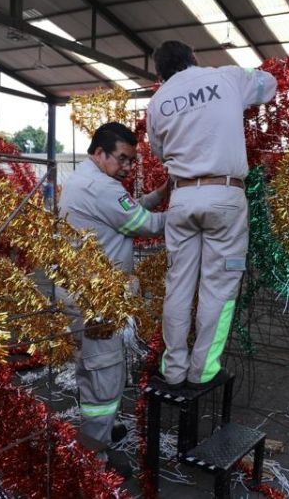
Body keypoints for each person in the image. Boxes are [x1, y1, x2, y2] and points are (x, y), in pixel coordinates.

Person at [146, 40, 277, 388]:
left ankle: (173, 369)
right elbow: (269, 85)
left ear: (160, 74)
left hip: (183, 198)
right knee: (218, 286)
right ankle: (203, 369)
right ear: (194, 57)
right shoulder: (227, 78)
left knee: (178, 285)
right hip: (225, 195)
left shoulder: (158, 102)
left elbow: (160, 152)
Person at [60, 122, 166, 448]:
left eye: (131, 160)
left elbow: (126, 212)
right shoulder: (103, 188)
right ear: (100, 153)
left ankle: (99, 432)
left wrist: (163, 193)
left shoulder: (84, 180)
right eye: (122, 159)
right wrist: (188, 213)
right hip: (98, 300)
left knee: (91, 370)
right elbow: (142, 223)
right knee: (105, 375)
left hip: (83, 294)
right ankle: (96, 457)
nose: (128, 167)